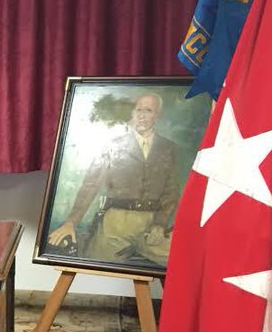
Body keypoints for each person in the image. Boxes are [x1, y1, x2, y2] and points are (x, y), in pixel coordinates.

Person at [46, 92, 181, 266]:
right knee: (97, 264)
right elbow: (91, 185)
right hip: (116, 224)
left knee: (181, 261)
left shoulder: (168, 148)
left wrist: (161, 224)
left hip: (152, 224)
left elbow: (171, 190)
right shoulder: (112, 145)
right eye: (138, 110)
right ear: (132, 113)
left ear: (157, 115)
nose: (141, 115)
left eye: (148, 110)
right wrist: (71, 221)